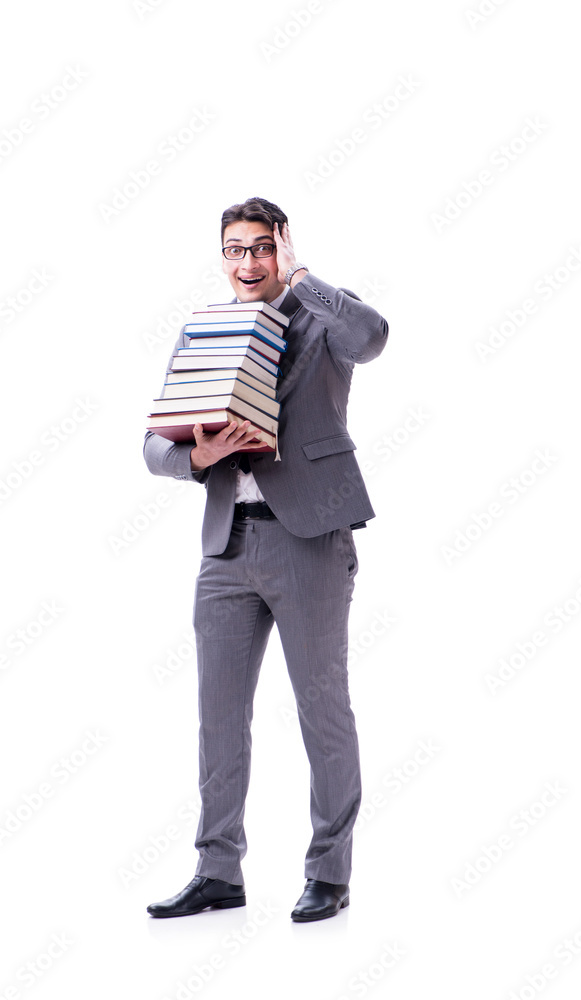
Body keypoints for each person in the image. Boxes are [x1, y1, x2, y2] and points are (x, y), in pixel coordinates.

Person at [143, 197, 389, 922]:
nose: (246, 263)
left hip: (308, 538)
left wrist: (301, 275)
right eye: (234, 250)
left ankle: (329, 873)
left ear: (281, 246)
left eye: (259, 248)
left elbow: (372, 337)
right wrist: (197, 455)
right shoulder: (205, 331)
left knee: (322, 711)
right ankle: (218, 870)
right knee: (218, 718)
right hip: (227, 545)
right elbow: (154, 443)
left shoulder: (320, 318)